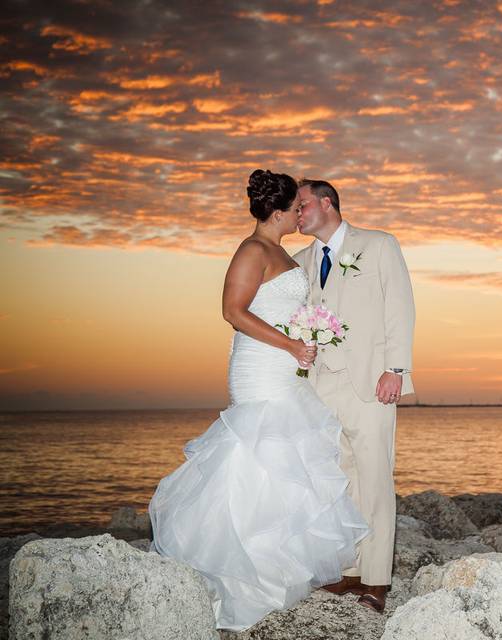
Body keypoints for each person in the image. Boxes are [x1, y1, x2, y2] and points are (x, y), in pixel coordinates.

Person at [149, 170, 368, 631]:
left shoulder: (281, 252)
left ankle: (278, 569)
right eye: (295, 209)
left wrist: (305, 337)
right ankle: (244, 578)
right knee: (257, 454)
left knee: (285, 457)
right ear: (278, 212)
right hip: (260, 368)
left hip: (285, 367)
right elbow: (233, 311)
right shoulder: (251, 250)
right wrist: (290, 345)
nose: (300, 214)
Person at [293, 179, 415, 613]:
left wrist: (396, 368)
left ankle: (377, 580)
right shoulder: (300, 261)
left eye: (303, 204)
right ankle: (347, 570)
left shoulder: (378, 245)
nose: (298, 213)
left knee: (376, 480)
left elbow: (400, 305)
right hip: (320, 386)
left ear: (327, 203)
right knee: (340, 481)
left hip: (370, 382)